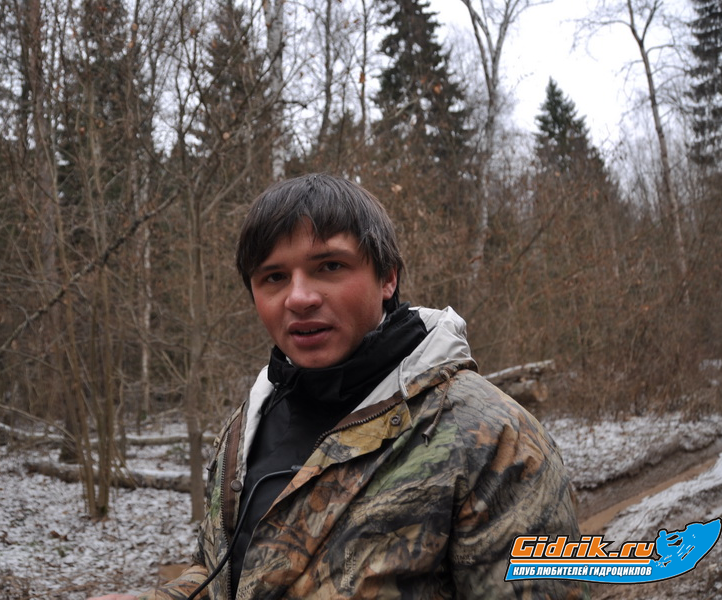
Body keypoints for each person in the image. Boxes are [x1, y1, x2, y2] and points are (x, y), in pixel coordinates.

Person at [92, 174, 587, 599]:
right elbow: (229, 571)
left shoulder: (491, 436)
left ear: (387, 278)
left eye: (329, 266)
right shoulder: (249, 425)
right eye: (274, 277)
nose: (299, 297)